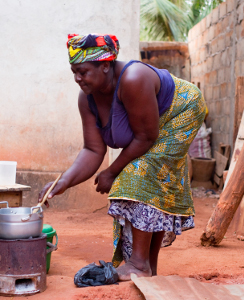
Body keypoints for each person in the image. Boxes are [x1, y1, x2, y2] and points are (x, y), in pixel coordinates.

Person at [39, 33, 206, 281]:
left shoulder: (133, 78)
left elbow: (145, 137)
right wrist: (62, 182)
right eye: (74, 71)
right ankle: (149, 267)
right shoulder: (87, 98)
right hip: (151, 128)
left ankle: (139, 264)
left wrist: (110, 172)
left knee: (138, 172)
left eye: (83, 71)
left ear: (105, 65)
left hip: (183, 110)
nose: (77, 78)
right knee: (150, 180)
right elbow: (93, 150)